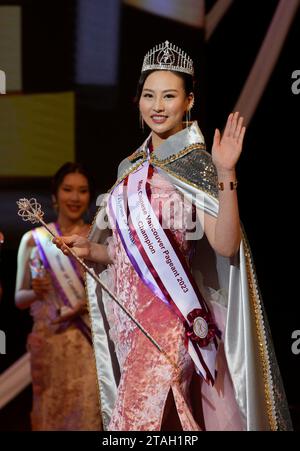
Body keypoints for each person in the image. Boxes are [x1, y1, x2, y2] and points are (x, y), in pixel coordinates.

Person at [54, 41, 292, 431]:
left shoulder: (197, 164)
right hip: (129, 324)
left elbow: (225, 245)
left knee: (133, 426)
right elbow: (126, 254)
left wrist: (226, 172)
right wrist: (93, 249)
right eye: (149, 95)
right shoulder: (128, 166)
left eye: (169, 95)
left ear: (189, 100)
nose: (157, 106)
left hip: (170, 320)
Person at [15, 162, 101, 431]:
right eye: (68, 190)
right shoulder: (35, 238)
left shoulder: (98, 236)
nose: (75, 197)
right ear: (55, 195)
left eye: (83, 191)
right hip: (51, 344)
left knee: (87, 416)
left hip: (90, 346)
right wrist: (35, 291)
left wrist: (85, 305)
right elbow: (20, 298)